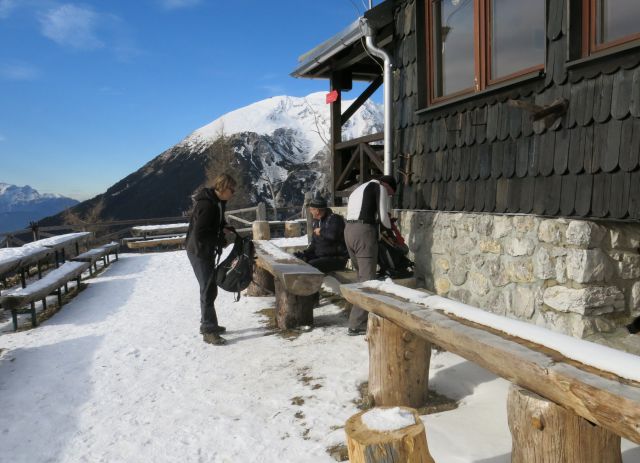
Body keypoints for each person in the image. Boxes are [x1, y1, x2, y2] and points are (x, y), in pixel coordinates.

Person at [185, 173, 236, 345]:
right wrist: (219, 240)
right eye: (232, 189)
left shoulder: (217, 202)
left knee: (209, 287)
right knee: (208, 289)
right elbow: (201, 233)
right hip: (199, 251)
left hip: (202, 250)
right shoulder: (208, 205)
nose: (233, 193)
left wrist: (224, 227)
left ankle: (208, 324)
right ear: (222, 188)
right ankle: (208, 330)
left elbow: (214, 224)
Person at [344, 175, 397, 336]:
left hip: (348, 231)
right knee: (367, 280)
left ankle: (358, 315)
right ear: (387, 185)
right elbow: (383, 217)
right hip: (363, 232)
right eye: (390, 192)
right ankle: (356, 324)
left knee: (360, 276)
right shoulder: (378, 187)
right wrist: (391, 233)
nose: (388, 196)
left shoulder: (358, 188)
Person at [295, 195, 348, 272]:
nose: (310, 212)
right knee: (300, 261)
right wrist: (305, 253)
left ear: (317, 211)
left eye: (311, 209)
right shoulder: (317, 222)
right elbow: (314, 243)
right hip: (321, 256)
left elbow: (333, 235)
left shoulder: (335, 219)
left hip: (336, 259)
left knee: (311, 266)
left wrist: (321, 231)